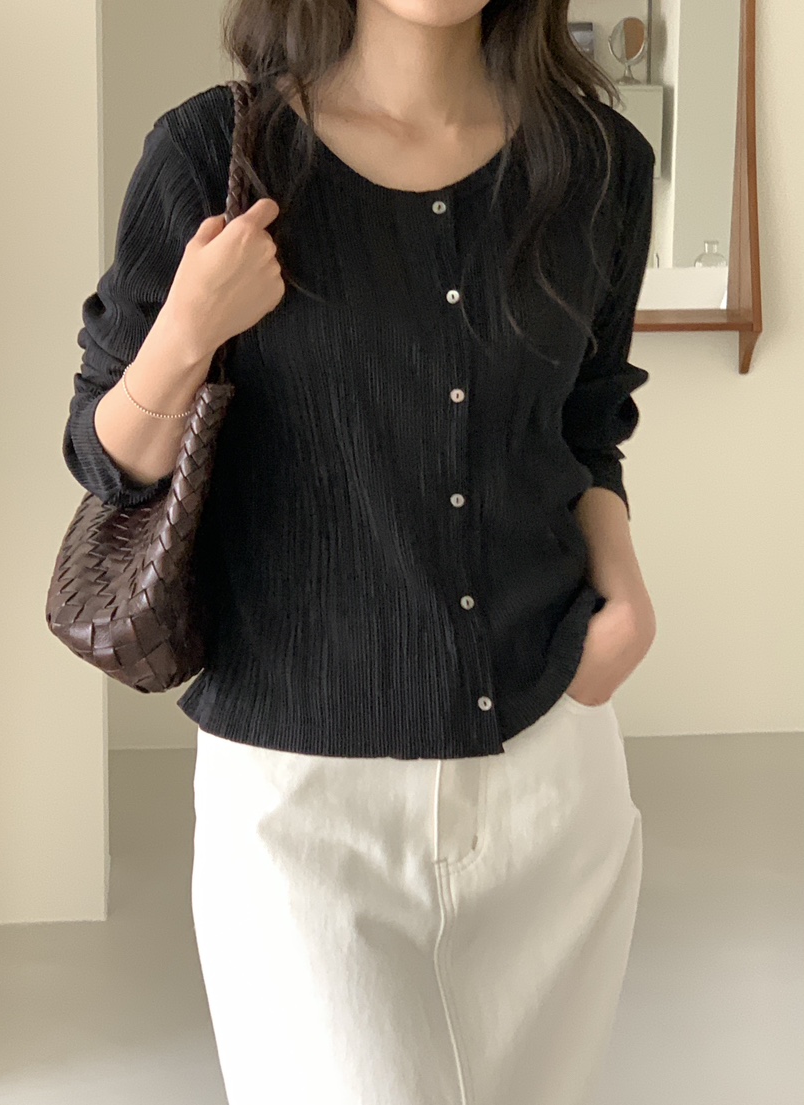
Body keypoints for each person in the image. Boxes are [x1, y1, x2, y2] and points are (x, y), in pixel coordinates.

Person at [62, 0, 657, 1101]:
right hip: (301, 794)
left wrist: (623, 590)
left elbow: (585, 421)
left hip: (548, 769)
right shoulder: (210, 151)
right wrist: (189, 327)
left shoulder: (600, 163)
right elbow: (108, 459)